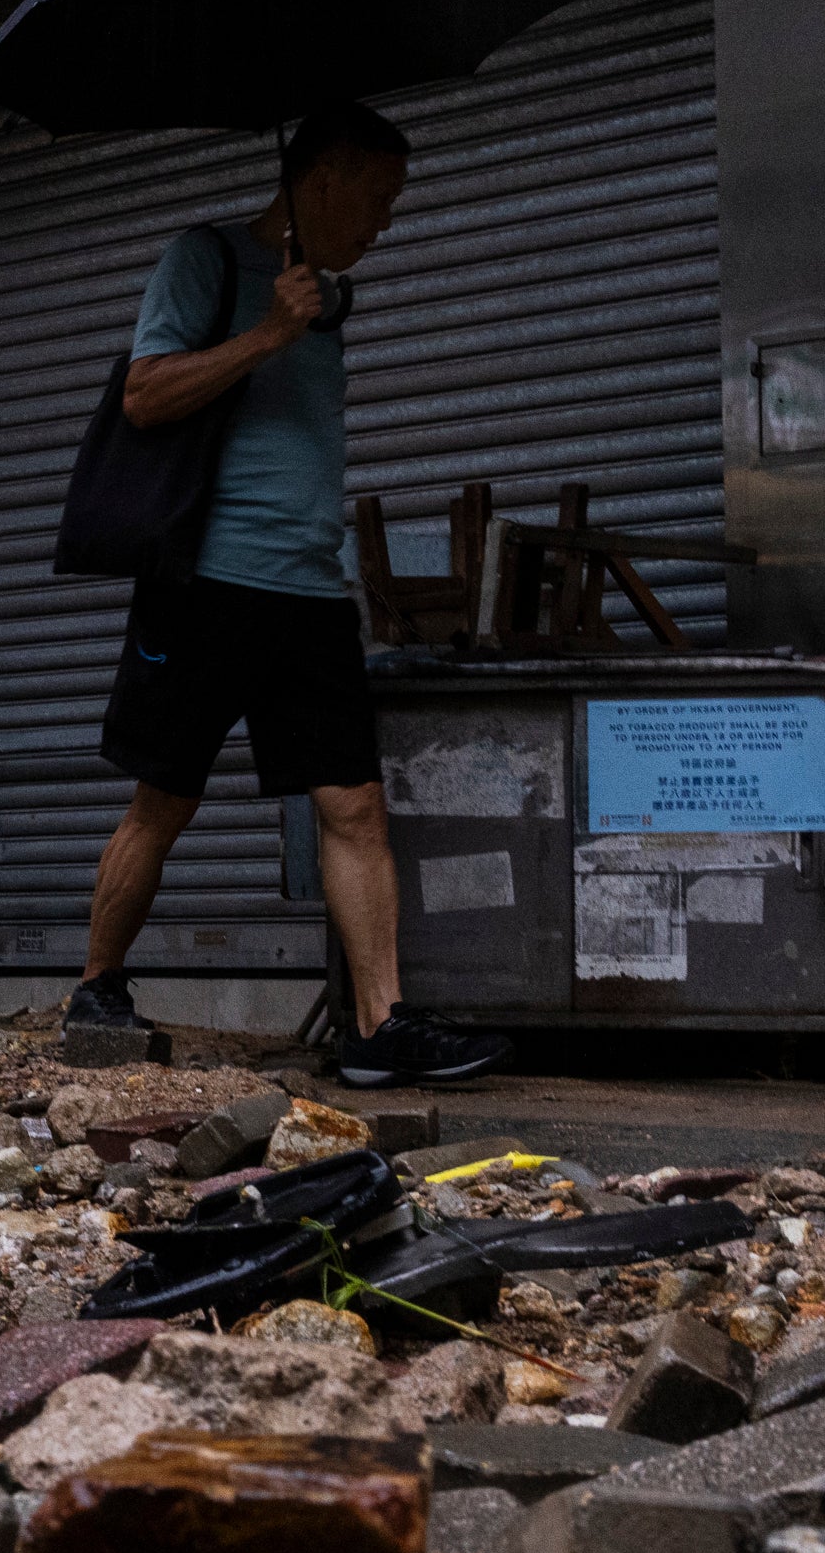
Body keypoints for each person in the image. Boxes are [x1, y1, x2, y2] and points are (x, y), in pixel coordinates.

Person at [62, 103, 509, 1088]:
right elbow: (144, 394)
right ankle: (95, 987)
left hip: (309, 593)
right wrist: (267, 331)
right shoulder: (207, 260)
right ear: (322, 177)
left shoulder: (328, 299)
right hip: (205, 586)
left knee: (352, 805)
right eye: (378, 197)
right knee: (162, 801)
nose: (386, 220)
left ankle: (377, 1027)